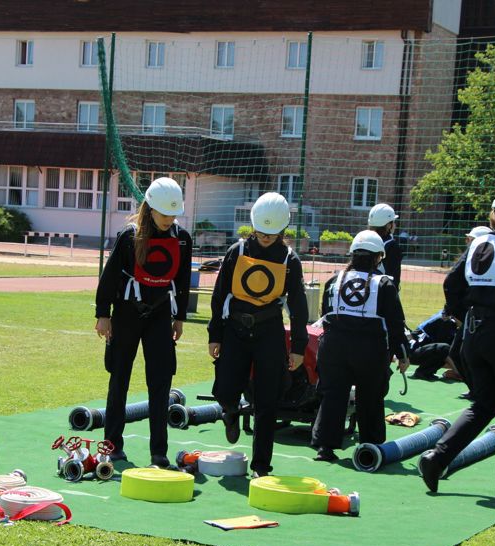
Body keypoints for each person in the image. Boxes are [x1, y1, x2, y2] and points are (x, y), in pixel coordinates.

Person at [419, 185, 495, 500]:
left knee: (484, 404)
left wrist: (466, 316)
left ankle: (437, 458)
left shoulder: (479, 242)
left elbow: (451, 283)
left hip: (473, 335)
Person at [208, 192, 308, 477]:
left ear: (283, 229)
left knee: (267, 401)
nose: (265, 237)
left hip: (269, 332)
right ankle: (230, 412)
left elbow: (298, 306)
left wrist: (298, 347)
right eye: (261, 231)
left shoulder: (290, 259)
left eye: (272, 233)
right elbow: (219, 294)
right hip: (234, 330)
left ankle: (261, 466)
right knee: (225, 390)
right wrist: (215, 334)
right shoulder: (237, 251)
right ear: (253, 225)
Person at [95, 177, 192, 467]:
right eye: (164, 213)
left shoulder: (182, 238)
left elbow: (182, 281)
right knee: (119, 379)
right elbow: (110, 276)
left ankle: (158, 452)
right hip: (126, 313)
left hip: (161, 315)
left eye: (173, 214)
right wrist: (103, 314)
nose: (169, 219)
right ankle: (113, 445)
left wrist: (179, 318)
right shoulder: (129, 236)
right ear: (150, 208)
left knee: (161, 383)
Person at [311, 231, 409, 461]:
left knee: (333, 395)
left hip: (333, 347)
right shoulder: (384, 284)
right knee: (371, 397)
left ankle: (325, 446)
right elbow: (396, 324)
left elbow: (325, 314)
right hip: (369, 349)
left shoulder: (334, 280)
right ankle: (370, 447)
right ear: (378, 257)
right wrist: (403, 354)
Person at [447, 225, 492, 399]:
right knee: (459, 353)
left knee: (467, 353)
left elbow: (451, 283)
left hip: (480, 317)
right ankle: (478, 390)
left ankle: (483, 392)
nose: (467, 242)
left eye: (470, 239)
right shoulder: (472, 260)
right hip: (471, 316)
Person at [407, 310, 460, 382]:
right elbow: (444, 351)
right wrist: (458, 372)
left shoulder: (446, 316)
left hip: (419, 350)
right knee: (444, 348)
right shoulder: (447, 321)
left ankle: (427, 372)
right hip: (414, 352)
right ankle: (422, 372)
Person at [367, 203, 402, 289]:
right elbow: (394, 281)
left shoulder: (362, 241)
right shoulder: (392, 246)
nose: (395, 225)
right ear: (388, 225)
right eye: (393, 222)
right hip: (381, 292)